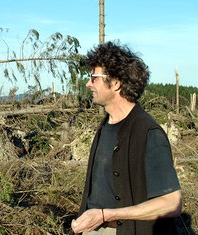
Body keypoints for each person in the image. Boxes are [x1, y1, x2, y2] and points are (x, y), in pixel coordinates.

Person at [71, 41, 182, 235]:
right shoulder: (105, 126)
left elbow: (171, 203)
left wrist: (106, 215)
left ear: (115, 83)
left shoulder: (148, 133)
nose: (88, 83)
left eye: (94, 77)